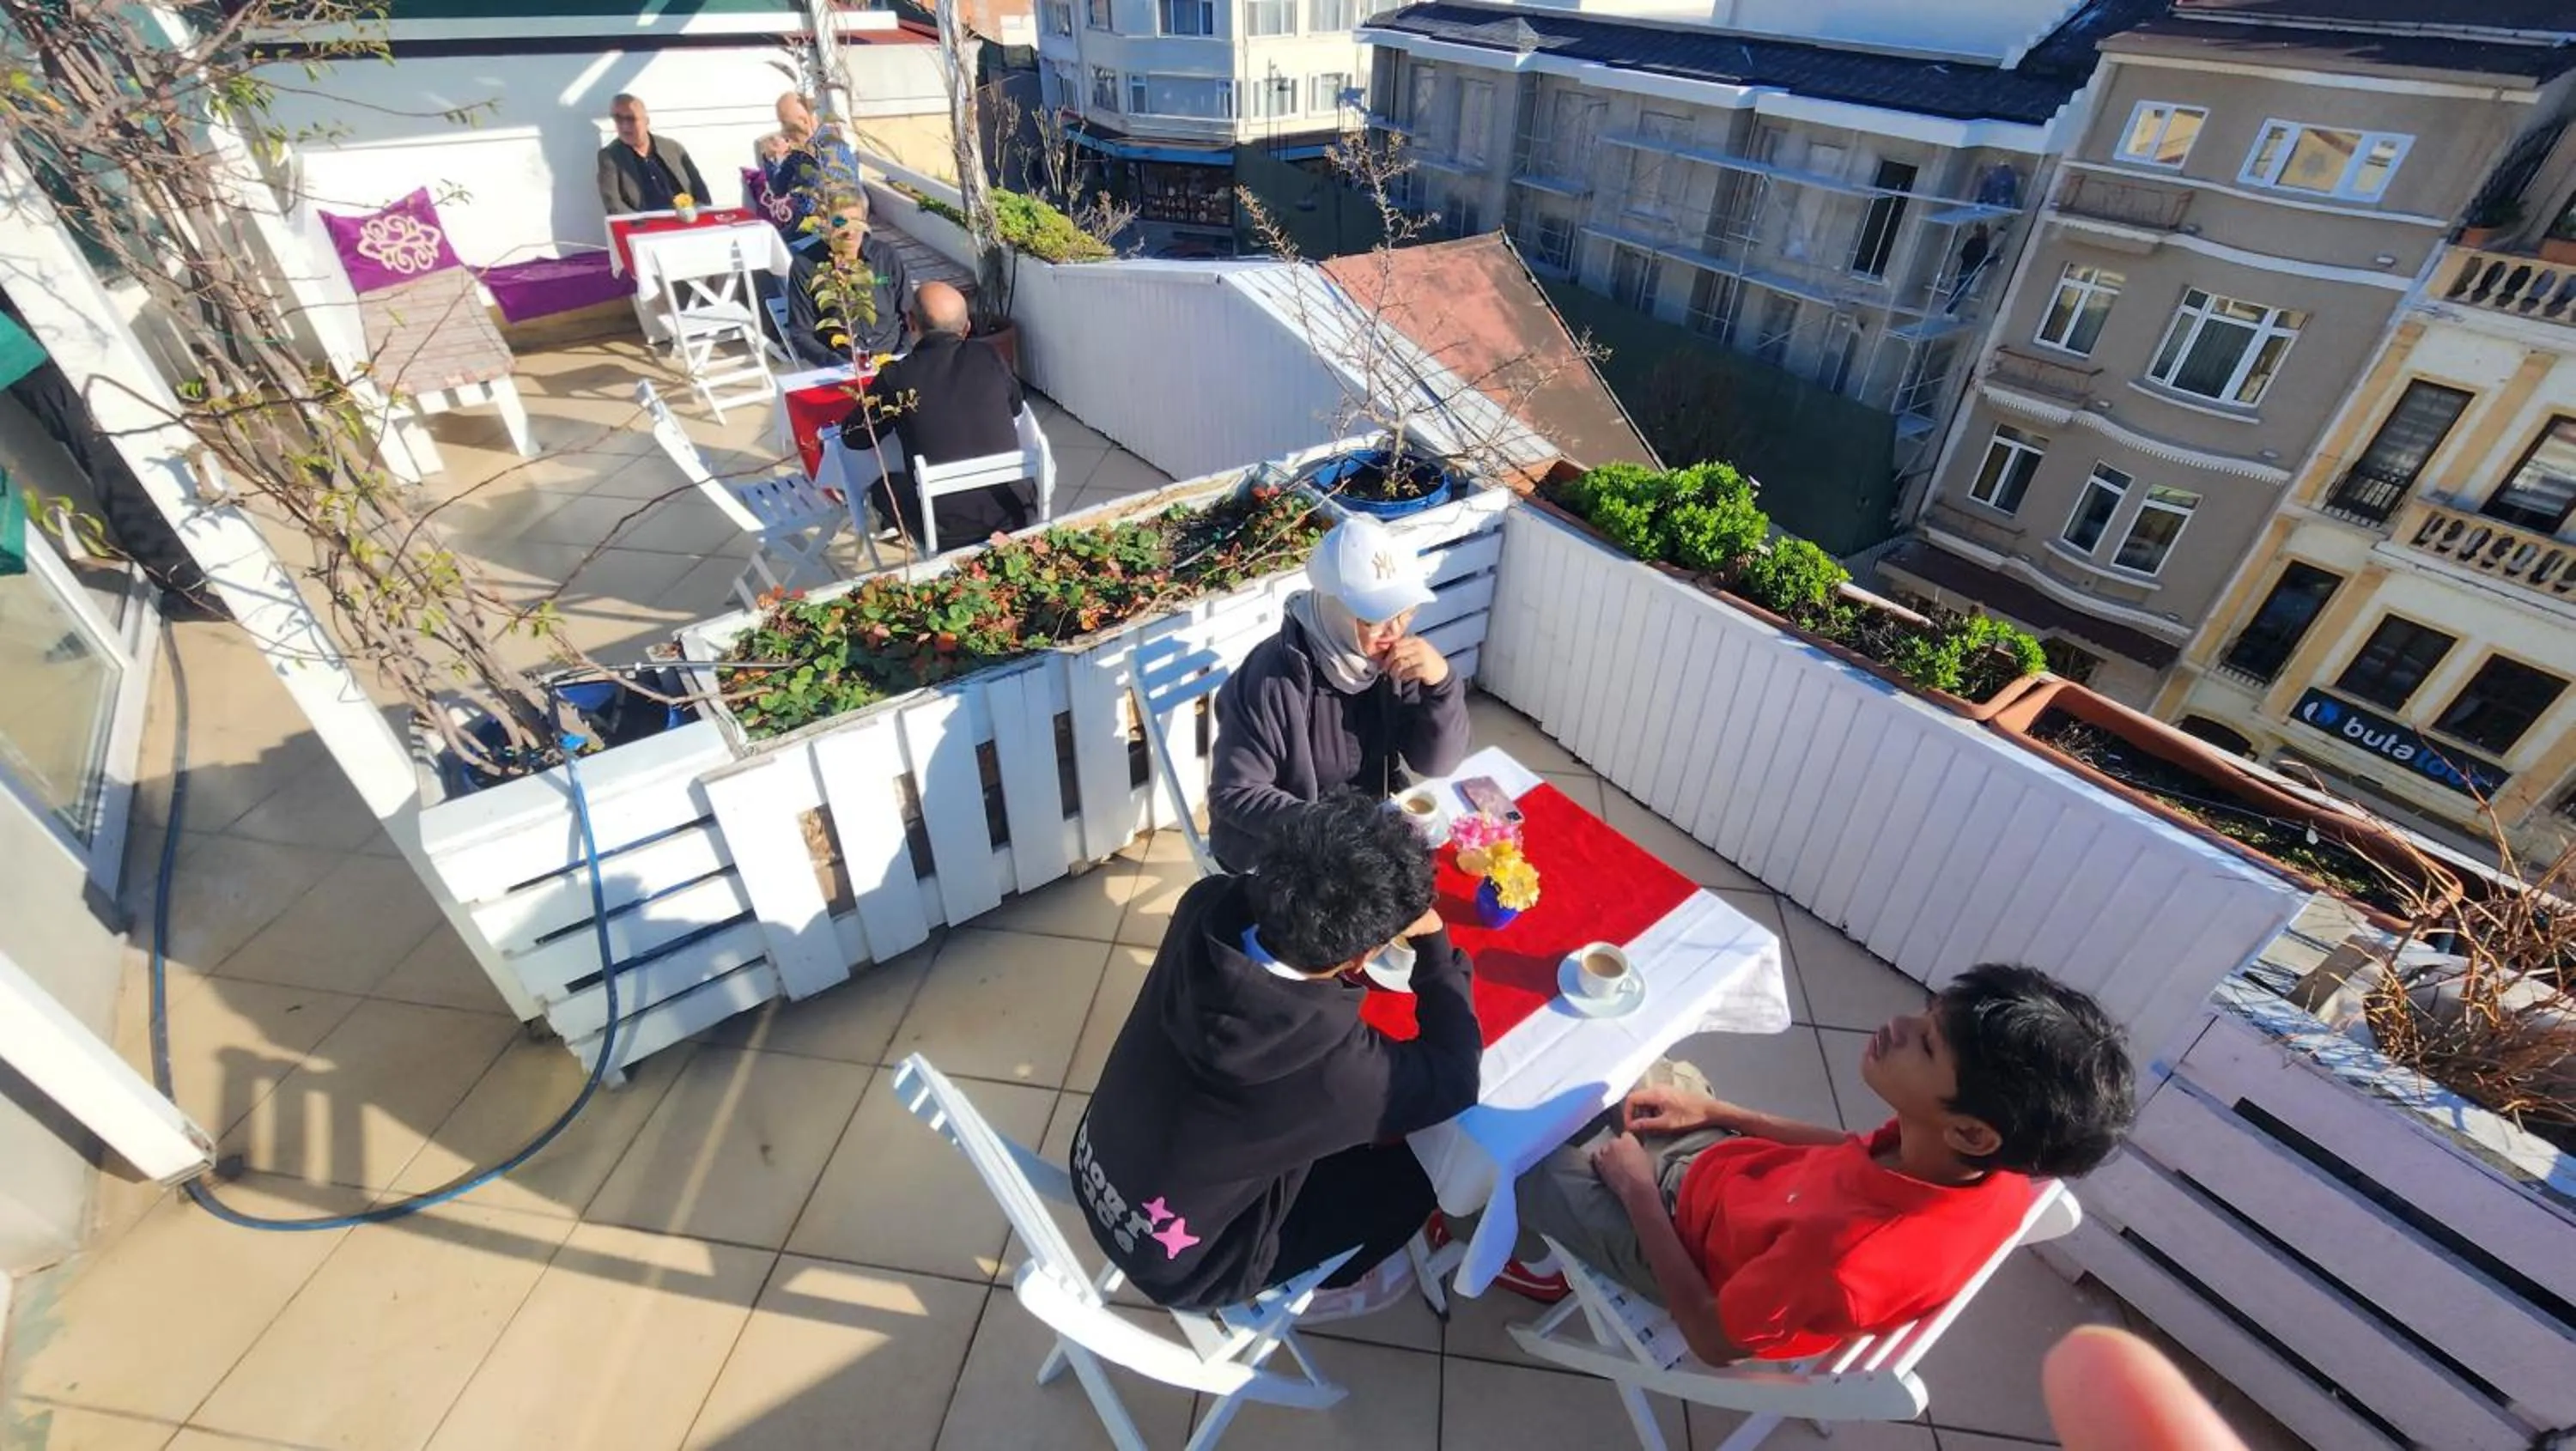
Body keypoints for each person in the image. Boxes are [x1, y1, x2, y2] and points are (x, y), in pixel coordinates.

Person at [1461, 963, 2135, 1366]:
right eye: (1925, 1015)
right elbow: (1844, 1152)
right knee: (1617, 1059)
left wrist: (1637, 1191)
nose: (1897, 1027)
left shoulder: (1842, 1259)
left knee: (1522, 1156)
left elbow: (1712, 1338)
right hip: (1735, 1180)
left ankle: (1535, 1262)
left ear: (1973, 1130)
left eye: (1925, 1044)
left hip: (1687, 1252)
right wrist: (1722, 1113)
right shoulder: (1981, 1166)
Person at [1070, 793, 1479, 1315]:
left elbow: (1245, 892)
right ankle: (1342, 1283)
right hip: (1193, 1265)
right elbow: (1457, 1077)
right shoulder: (1338, 1072)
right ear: (1362, 954)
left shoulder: (1203, 905)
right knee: (1421, 1170)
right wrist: (1437, 949)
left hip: (1098, 1160)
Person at [1207, 515, 1469, 872]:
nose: (1394, 632)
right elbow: (1236, 793)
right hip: (1286, 847)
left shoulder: (1393, 660)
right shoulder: (1269, 679)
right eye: (1372, 620)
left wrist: (1442, 684)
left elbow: (1436, 764)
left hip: (1368, 826)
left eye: (1405, 613)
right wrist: (1335, 830)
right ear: (1335, 613)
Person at [841, 281, 1030, 545]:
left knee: (882, 487)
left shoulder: (898, 376)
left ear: (910, 322)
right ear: (966, 329)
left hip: (944, 527)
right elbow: (1015, 406)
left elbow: (855, 437)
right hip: (1013, 510)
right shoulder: (988, 355)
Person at [784, 192, 910, 367]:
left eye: (856, 221)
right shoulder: (806, 266)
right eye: (839, 222)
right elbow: (801, 332)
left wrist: (901, 357)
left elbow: (910, 315)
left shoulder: (886, 257)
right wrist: (836, 362)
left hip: (893, 360)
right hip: (842, 366)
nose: (850, 231)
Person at [756, 91, 860, 252]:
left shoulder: (831, 148)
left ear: (805, 121)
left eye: (786, 125)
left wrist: (799, 195)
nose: (783, 131)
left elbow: (827, 203)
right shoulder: (800, 151)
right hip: (806, 225)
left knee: (788, 254)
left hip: (835, 226)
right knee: (766, 247)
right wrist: (771, 159)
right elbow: (778, 189)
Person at [595, 94, 709, 217]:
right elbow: (614, 205)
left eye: (631, 119)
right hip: (644, 229)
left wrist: (698, 216)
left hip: (686, 221)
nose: (624, 126)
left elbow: (701, 193)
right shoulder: (610, 157)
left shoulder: (673, 148)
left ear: (646, 121)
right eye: (618, 118)